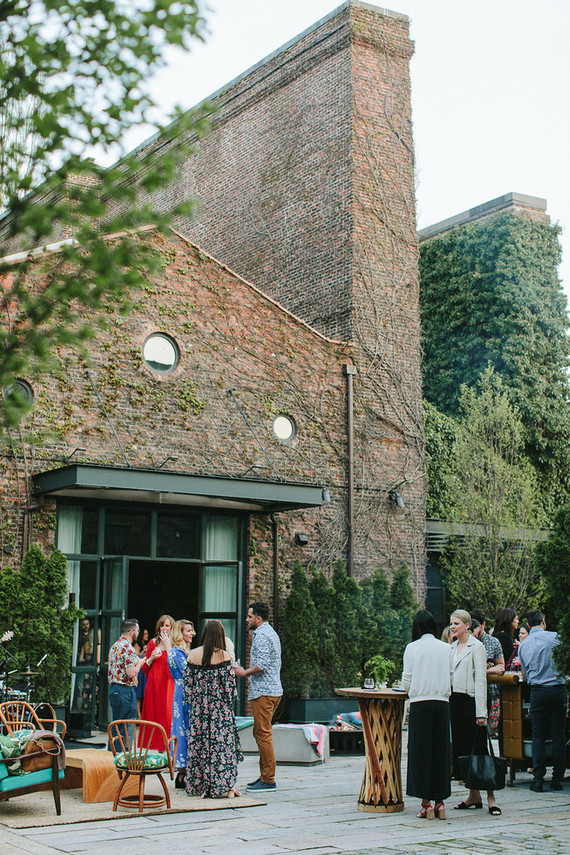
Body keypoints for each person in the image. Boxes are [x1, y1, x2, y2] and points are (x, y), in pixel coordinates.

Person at [449, 609, 501, 816]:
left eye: (456, 624)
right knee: (464, 750)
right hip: (455, 701)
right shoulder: (452, 647)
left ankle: (491, 797)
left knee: (480, 749)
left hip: (471, 702)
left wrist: (482, 712)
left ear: (467, 625)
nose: (453, 627)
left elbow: (481, 679)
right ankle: (474, 794)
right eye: (451, 623)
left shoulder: (477, 647)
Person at [183, 620, 243, 798]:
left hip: (199, 709)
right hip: (220, 710)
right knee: (222, 747)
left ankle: (198, 785)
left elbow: (188, 687)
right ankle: (225, 785)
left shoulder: (193, 655)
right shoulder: (225, 656)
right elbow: (230, 690)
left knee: (198, 745)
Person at [401, 609, 452, 820]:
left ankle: (426, 804)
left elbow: (407, 680)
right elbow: (451, 675)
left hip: (420, 703)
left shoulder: (412, 648)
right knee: (440, 753)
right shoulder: (446, 648)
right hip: (442, 703)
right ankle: (440, 803)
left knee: (421, 753)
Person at [234, 602, 282, 793]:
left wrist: (243, 672)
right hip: (272, 690)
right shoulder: (270, 632)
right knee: (262, 733)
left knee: (263, 734)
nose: (247, 619)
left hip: (264, 692)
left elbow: (261, 665)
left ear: (258, 618)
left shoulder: (261, 635)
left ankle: (269, 779)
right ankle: (264, 776)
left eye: (249, 616)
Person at [518, 609, 567, 792]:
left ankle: (538, 778)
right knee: (558, 734)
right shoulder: (557, 638)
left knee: (538, 734)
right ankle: (557, 777)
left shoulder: (524, 644)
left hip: (537, 690)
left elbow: (525, 671)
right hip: (557, 689)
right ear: (544, 622)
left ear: (529, 625)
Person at [167, 619, 196, 788]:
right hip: (184, 693)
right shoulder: (177, 653)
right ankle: (183, 772)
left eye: (192, 630)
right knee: (183, 728)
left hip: (183, 691)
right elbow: (188, 673)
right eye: (188, 630)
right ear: (180, 633)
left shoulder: (180, 651)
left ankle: (183, 774)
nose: (192, 633)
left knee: (184, 727)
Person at [107, 619, 143, 749]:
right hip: (125, 690)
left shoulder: (115, 646)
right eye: (137, 631)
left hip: (114, 689)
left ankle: (111, 759)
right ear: (131, 632)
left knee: (116, 727)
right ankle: (124, 761)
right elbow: (131, 673)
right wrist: (140, 663)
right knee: (126, 729)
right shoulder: (128, 648)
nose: (138, 633)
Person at [140, 614, 175, 749]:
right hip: (154, 683)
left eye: (167, 625)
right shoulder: (152, 643)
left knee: (167, 714)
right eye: (162, 625)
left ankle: (167, 746)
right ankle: (151, 746)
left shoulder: (175, 643)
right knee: (152, 715)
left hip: (168, 683)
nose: (164, 628)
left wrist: (167, 645)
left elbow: (176, 664)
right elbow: (145, 666)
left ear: (172, 627)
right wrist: (152, 658)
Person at [470, 609, 505, 738]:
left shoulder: (493, 642)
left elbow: (501, 666)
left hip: (490, 691)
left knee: (487, 731)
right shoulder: (465, 643)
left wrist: (483, 670)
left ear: (483, 625)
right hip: (470, 692)